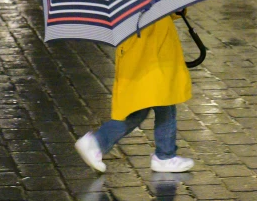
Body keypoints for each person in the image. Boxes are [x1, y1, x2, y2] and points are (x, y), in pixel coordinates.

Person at [74, 14, 194, 174]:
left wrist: (178, 10)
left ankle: (164, 154)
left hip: (150, 56)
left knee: (154, 105)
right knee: (152, 106)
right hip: (152, 58)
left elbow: (169, 13)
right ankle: (98, 142)